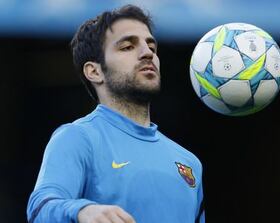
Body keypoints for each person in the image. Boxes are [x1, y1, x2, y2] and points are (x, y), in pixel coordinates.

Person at [27, 4, 205, 223]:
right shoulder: (78, 138)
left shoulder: (190, 163)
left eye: (152, 46)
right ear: (95, 71)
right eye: (128, 47)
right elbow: (40, 208)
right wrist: (83, 211)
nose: (147, 53)